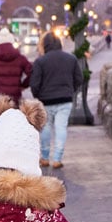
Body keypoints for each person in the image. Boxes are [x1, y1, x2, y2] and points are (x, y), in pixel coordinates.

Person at [28, 33, 81, 169]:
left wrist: (38, 95)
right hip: (65, 99)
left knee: (45, 127)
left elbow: (34, 83)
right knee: (61, 127)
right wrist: (70, 90)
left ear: (44, 45)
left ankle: (45, 157)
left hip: (46, 100)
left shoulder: (40, 61)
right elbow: (78, 79)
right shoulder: (71, 59)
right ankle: (57, 158)